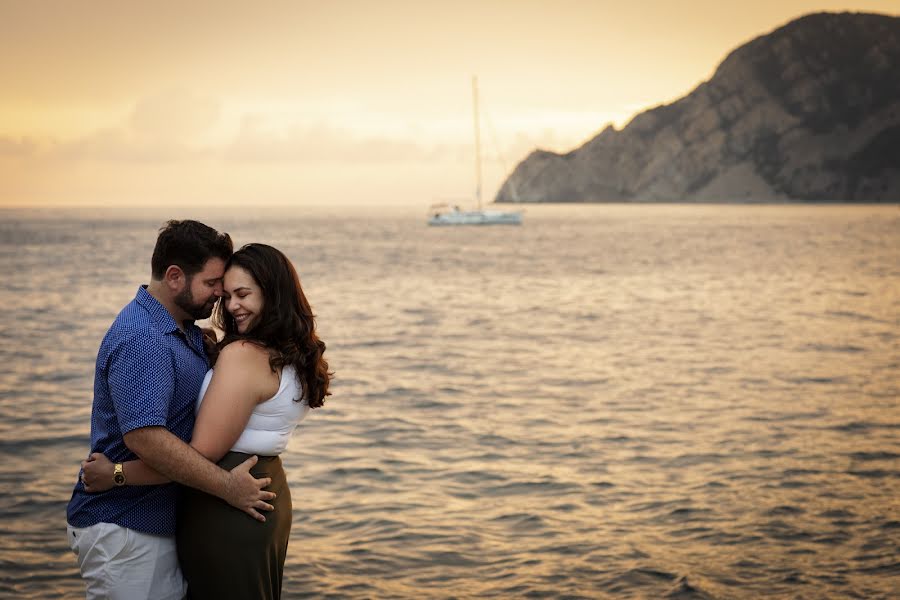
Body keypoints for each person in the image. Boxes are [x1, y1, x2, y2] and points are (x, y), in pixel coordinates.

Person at [82, 243, 331, 599]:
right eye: (227, 295)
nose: (231, 306)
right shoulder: (287, 352)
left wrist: (117, 474)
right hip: (264, 492)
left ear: (272, 293)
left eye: (243, 294)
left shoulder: (244, 355)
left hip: (227, 503)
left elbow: (200, 456)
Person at [66, 220, 276, 600]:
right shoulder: (144, 338)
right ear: (175, 276)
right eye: (213, 284)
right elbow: (146, 437)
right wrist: (227, 486)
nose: (220, 296)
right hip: (127, 527)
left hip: (155, 526)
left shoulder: (181, 331)